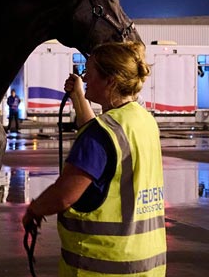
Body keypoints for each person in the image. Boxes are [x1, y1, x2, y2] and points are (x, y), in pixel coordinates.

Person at [21, 41, 166, 276]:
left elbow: (64, 195)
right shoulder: (143, 120)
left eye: (90, 72)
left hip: (102, 264)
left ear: (110, 80)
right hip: (145, 264)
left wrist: (35, 210)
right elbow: (102, 140)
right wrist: (79, 95)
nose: (85, 77)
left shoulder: (101, 133)